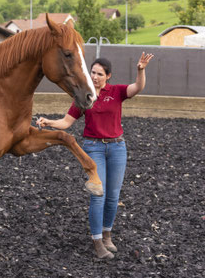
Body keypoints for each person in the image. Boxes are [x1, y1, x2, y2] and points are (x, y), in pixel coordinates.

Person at [36, 52, 154, 259]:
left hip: (117, 147)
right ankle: (97, 241)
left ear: (108, 76)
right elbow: (66, 122)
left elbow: (138, 87)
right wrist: (49, 122)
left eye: (100, 73)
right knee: (98, 195)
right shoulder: (84, 96)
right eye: (92, 72)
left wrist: (140, 70)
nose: (95, 76)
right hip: (94, 148)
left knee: (113, 196)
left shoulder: (116, 92)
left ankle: (107, 234)